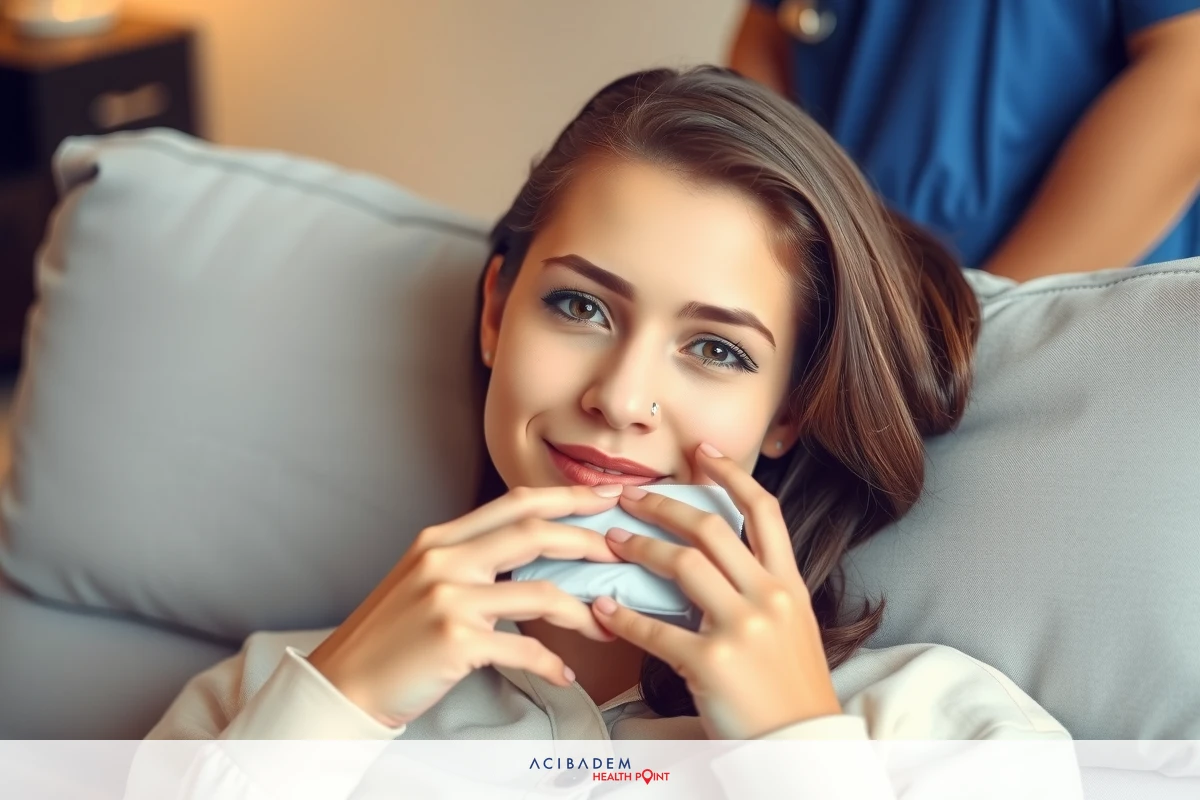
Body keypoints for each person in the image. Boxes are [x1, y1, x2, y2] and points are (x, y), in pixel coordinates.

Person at [136, 67, 1077, 798]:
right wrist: (334, 711)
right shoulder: (262, 700)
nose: (623, 397)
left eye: (716, 349)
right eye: (581, 305)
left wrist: (792, 749)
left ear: (790, 408)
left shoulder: (945, 734)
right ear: (499, 311)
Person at [731, 1, 1200, 282]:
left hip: (1058, 321)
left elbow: (1187, 73)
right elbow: (768, 42)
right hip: (843, 299)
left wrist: (992, 324)